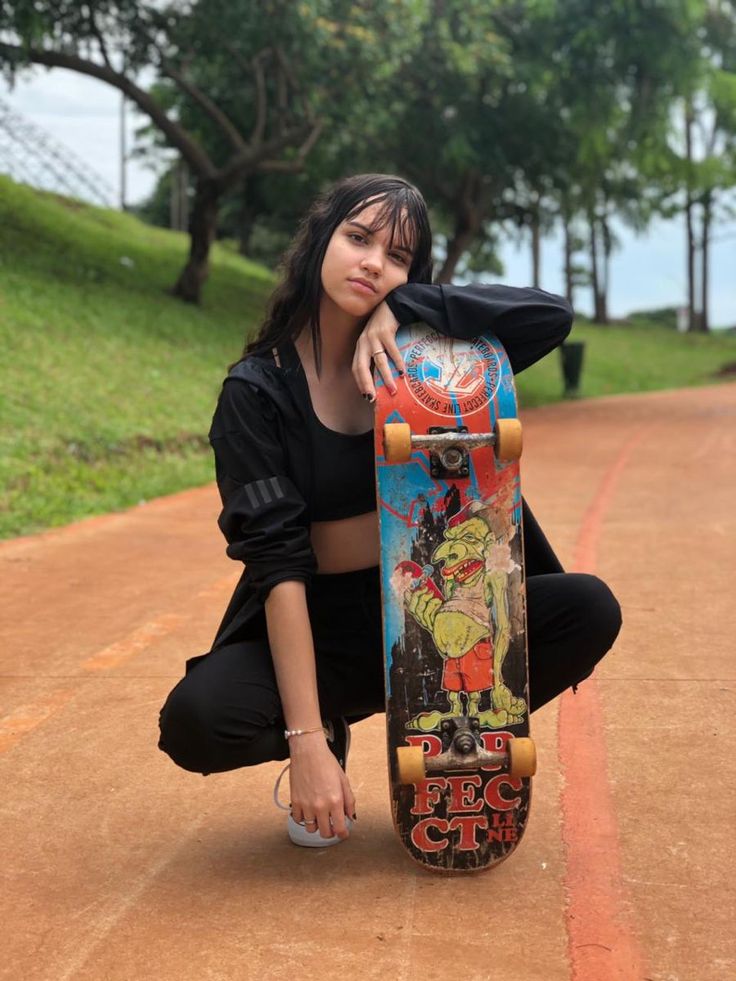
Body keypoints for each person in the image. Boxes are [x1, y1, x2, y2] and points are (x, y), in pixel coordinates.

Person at [158, 173, 622, 847]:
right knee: (196, 719)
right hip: (319, 626)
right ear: (321, 239)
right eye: (358, 238)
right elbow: (279, 567)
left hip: (437, 618)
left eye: (398, 255)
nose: (374, 261)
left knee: (589, 608)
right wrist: (306, 737)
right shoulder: (256, 395)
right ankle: (333, 725)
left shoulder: (438, 370)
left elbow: (548, 317)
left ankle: (438, 728)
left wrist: (408, 307)